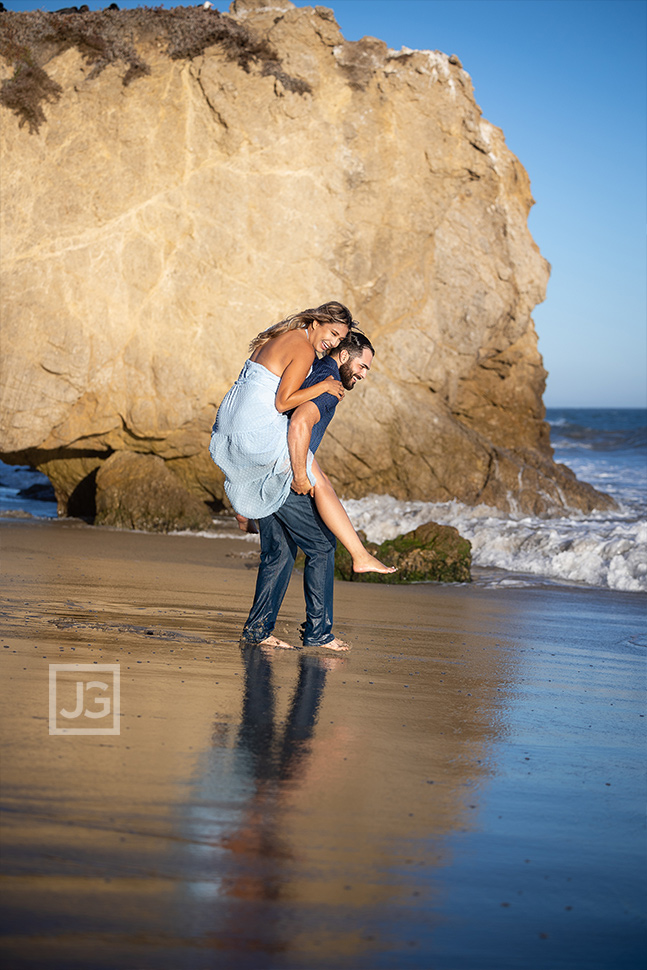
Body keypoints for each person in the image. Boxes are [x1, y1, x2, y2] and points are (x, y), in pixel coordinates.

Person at [210, 302, 394, 575]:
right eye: (331, 334)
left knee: (299, 460)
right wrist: (323, 385)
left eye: (339, 340)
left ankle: (243, 510)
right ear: (316, 323)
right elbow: (283, 403)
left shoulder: (279, 335)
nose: (331, 343)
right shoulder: (303, 348)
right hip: (252, 429)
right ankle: (359, 554)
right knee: (318, 479)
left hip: (229, 422)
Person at [241, 331, 378, 651]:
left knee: (280, 552)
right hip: (285, 474)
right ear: (344, 356)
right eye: (363, 366)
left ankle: (258, 630)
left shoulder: (312, 371)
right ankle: (318, 633)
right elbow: (300, 423)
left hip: (265, 468)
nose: (363, 374)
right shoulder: (329, 385)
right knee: (321, 545)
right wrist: (301, 476)